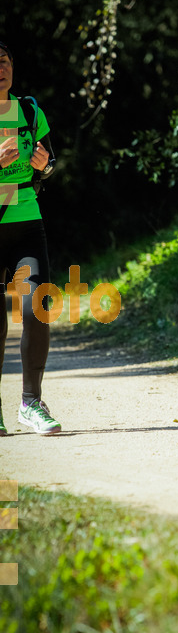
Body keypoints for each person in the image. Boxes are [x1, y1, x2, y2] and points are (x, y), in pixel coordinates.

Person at [0, 41, 61, 435]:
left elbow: (50, 162)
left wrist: (45, 166)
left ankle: (31, 403)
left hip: (27, 219)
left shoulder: (28, 110)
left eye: (4, 61)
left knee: (36, 307)